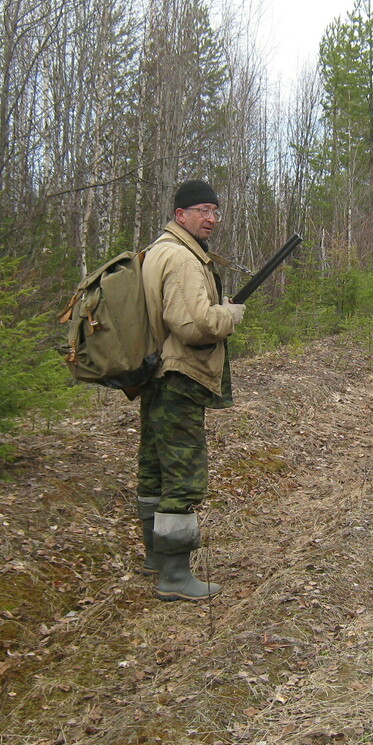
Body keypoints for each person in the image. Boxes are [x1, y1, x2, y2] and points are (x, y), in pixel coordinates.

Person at [136, 180, 245, 601]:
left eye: (215, 211)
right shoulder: (182, 257)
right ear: (180, 215)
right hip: (179, 377)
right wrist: (230, 314)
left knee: (154, 469)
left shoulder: (158, 249)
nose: (211, 218)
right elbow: (195, 325)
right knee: (183, 477)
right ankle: (175, 577)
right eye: (203, 210)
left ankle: (155, 558)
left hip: (156, 374)